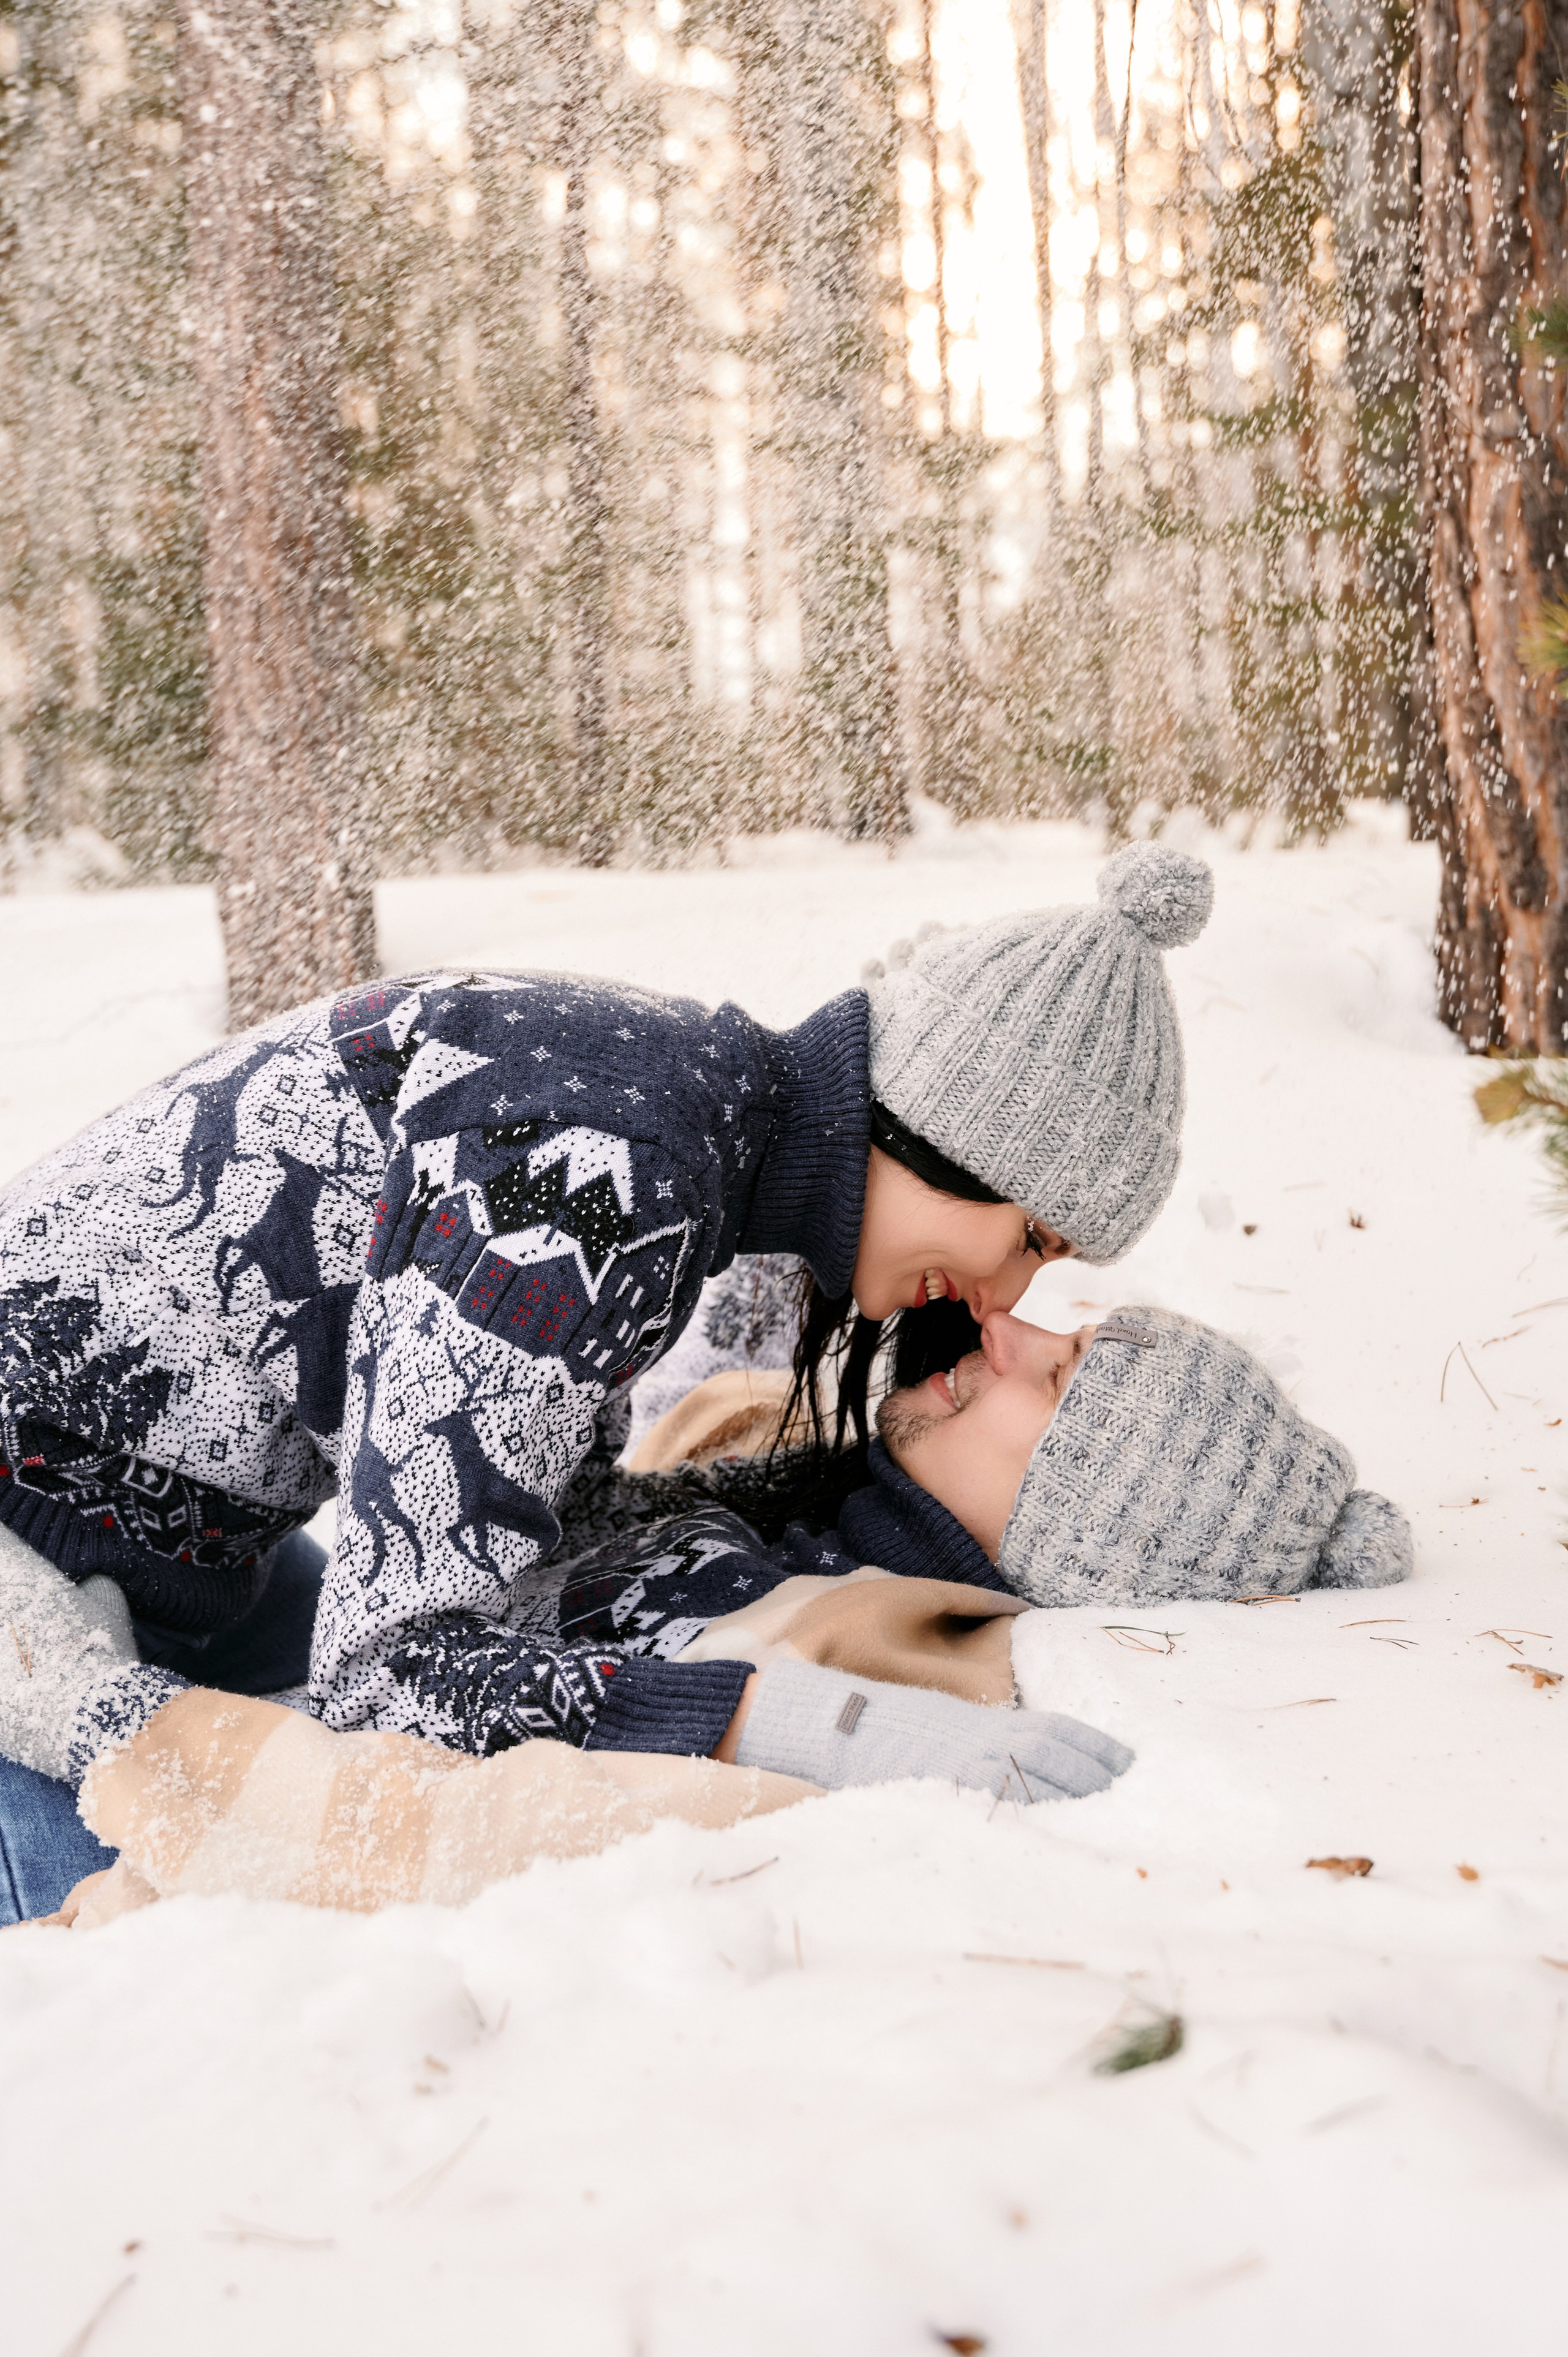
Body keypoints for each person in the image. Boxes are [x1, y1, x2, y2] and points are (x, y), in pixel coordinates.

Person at [0, 847, 1210, 1815]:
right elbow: (391, 1674)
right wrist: (810, 1723)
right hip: (36, 1572)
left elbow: (531, 1522)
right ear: (949, 1136)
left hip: (179, 1561)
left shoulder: (677, 1112)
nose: (1002, 1302)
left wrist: (858, 1498)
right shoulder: (603, 1170)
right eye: (1034, 1239)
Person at [2, 1300, 1408, 1926]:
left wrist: (98, 1707)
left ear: (1080, 1515)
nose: (1011, 1329)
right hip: (273, 1695)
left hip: (163, 1824)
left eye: (1058, 1376)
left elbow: (453, 1817)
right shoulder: (818, 1510)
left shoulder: (849, 1645)